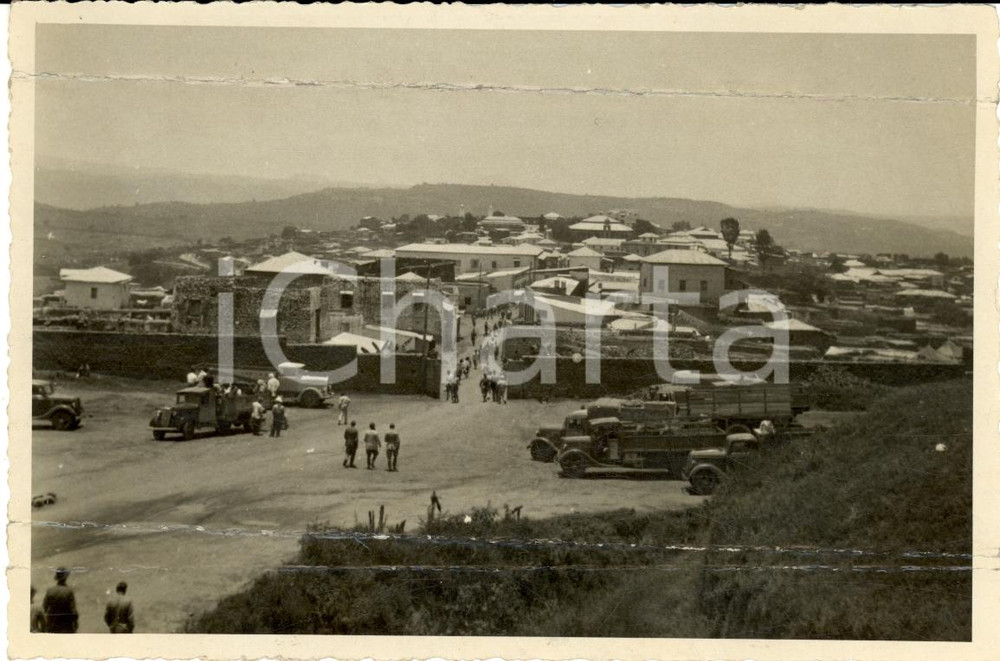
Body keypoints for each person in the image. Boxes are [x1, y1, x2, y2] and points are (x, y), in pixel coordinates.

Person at [42, 567, 78, 634]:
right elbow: (73, 611)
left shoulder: (50, 591)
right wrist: (75, 623)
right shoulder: (69, 591)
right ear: (66, 578)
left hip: (52, 624)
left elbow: (44, 608)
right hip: (66, 625)